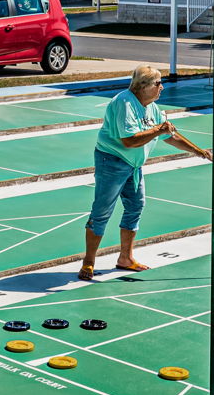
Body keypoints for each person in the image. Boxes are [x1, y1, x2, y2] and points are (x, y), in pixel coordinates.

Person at [78, 64, 182, 281]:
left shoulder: (152, 107)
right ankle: (88, 262)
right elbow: (129, 140)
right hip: (112, 161)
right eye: (158, 83)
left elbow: (169, 136)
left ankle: (125, 257)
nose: (162, 87)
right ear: (143, 86)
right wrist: (158, 129)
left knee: (135, 206)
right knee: (102, 211)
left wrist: (201, 152)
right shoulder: (123, 102)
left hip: (134, 165)